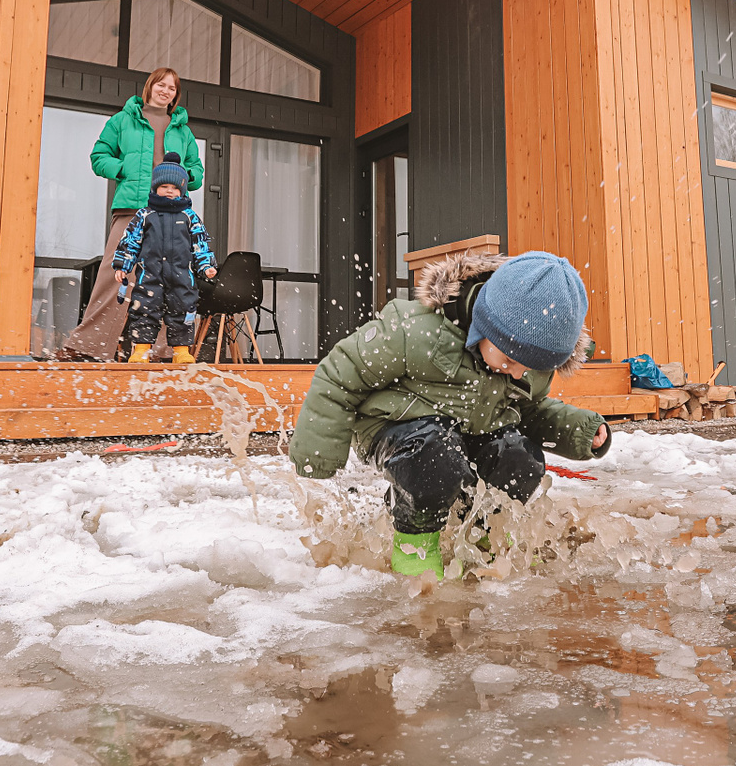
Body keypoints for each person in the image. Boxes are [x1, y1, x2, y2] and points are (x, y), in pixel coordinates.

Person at [289, 250, 611, 576]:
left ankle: (486, 534)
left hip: (470, 433)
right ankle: (416, 539)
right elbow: (339, 375)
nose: (518, 373)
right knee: (434, 454)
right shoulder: (415, 332)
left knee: (520, 457)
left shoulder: (528, 361)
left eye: (529, 368)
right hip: (398, 428)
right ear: (486, 325)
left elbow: (530, 411)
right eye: (511, 360)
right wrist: (318, 454)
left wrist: (581, 431)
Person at [52, 68, 205, 361]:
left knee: (170, 278)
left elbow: (196, 169)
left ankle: (165, 351)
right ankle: (89, 347)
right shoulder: (122, 121)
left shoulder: (183, 131)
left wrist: (185, 176)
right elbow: (99, 157)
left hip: (172, 213)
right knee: (115, 274)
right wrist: (124, 169)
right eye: (161, 85)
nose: (166, 91)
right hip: (132, 207)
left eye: (172, 88)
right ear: (150, 86)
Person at [112, 155, 217, 364]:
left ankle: (181, 351)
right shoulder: (145, 215)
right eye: (164, 186)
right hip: (149, 275)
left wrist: (206, 265)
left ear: (182, 190)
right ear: (155, 188)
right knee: (144, 308)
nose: (170, 191)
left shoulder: (190, 216)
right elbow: (131, 241)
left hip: (182, 276)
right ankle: (141, 350)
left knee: (182, 309)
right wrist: (123, 265)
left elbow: (200, 244)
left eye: (175, 188)